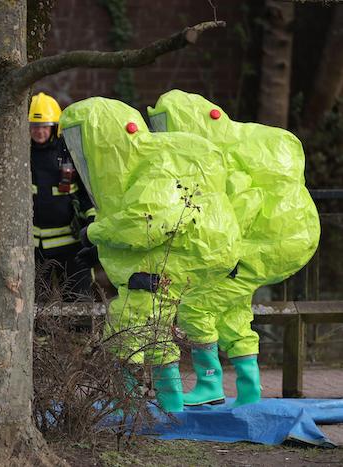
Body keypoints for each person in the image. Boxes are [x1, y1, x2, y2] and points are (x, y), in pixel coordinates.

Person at [60, 97, 241, 412]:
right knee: (158, 319)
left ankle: (132, 402)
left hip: (190, 253)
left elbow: (147, 223)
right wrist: (102, 249)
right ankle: (173, 400)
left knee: (134, 317)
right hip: (198, 251)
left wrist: (95, 234)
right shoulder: (140, 165)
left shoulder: (153, 162)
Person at [148, 90, 320, 407]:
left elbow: (244, 203)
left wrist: (227, 247)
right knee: (234, 312)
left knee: (195, 306)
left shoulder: (223, 162)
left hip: (258, 247)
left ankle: (210, 383)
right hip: (273, 244)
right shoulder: (227, 154)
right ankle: (250, 391)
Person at [28, 92, 96, 302]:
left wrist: (92, 222)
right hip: (35, 246)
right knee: (38, 301)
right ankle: (39, 336)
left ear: (55, 126)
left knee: (78, 296)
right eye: (34, 127)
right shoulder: (21, 153)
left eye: (44, 126)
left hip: (71, 242)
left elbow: (86, 190)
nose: (39, 131)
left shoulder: (69, 152)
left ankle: (81, 335)